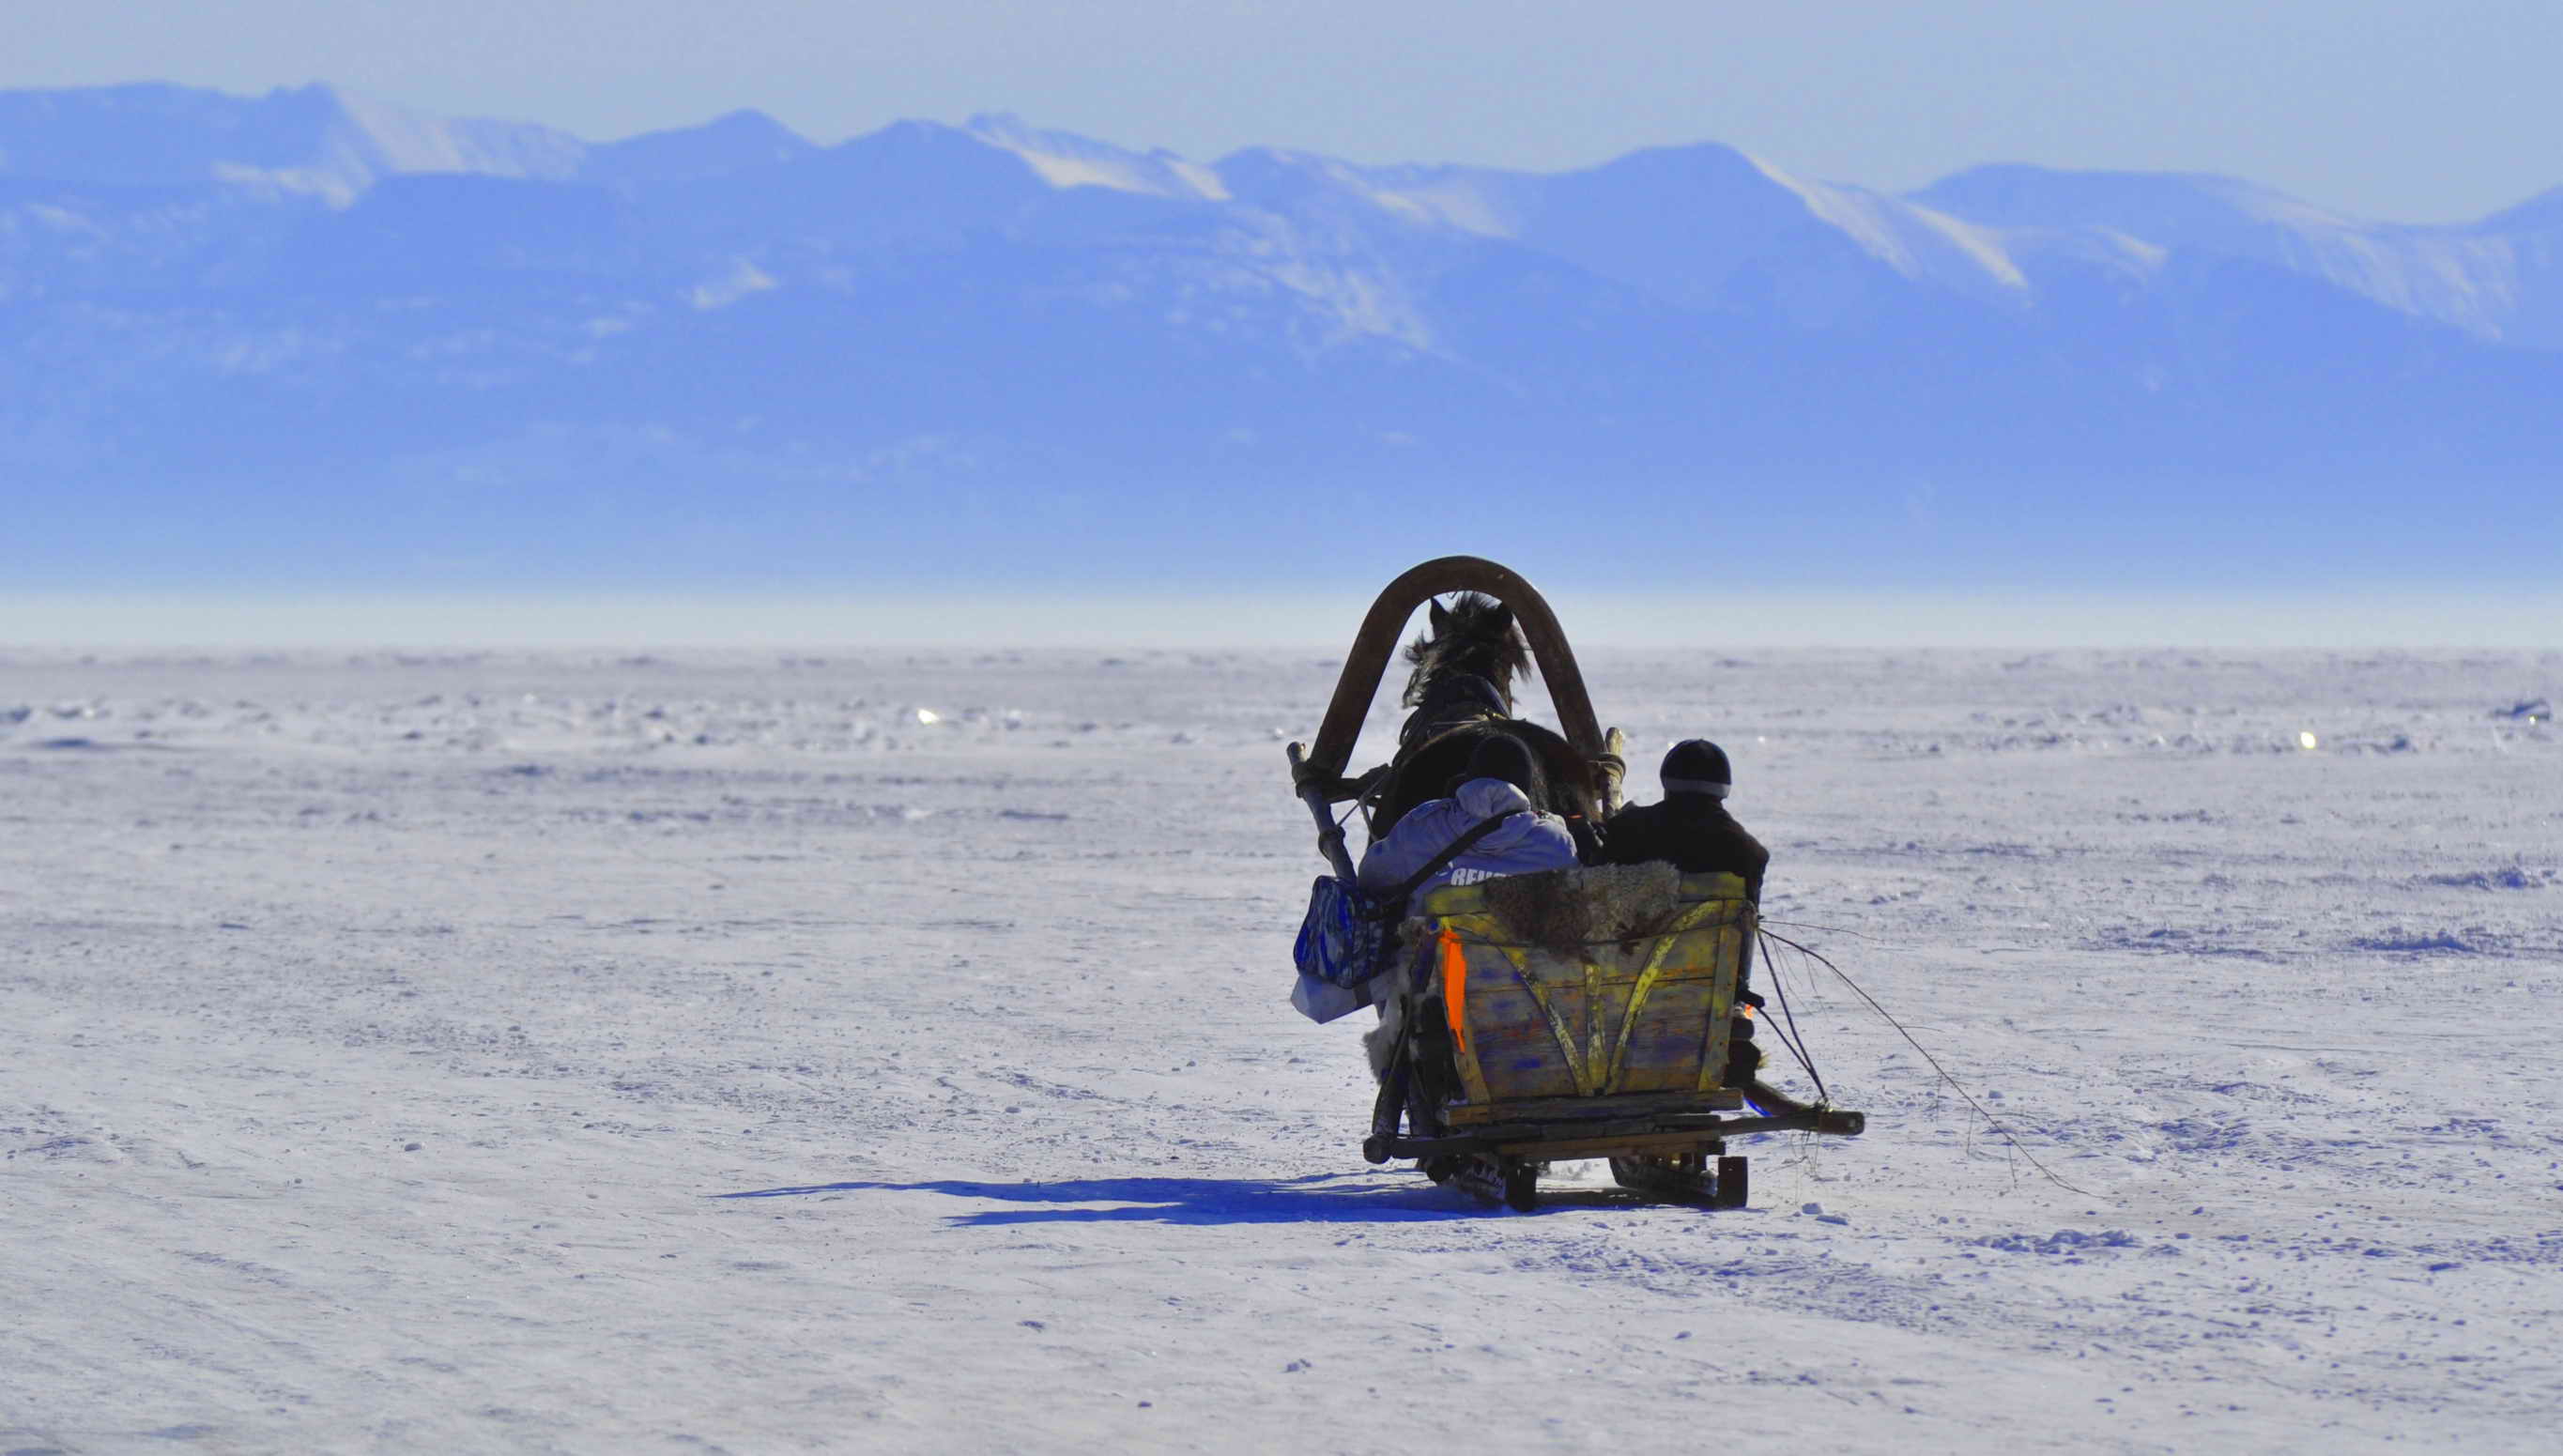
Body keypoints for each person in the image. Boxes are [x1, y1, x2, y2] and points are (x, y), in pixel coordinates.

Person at [1357, 734, 1579, 918]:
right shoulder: (1555, 842)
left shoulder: (1423, 825)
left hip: (1425, 966)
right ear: (1526, 785)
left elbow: (1370, 878)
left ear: (1470, 776)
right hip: (1525, 968)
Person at [1601, 740, 1768, 899]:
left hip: (1646, 929)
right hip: (1718, 929)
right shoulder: (1750, 853)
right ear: (1723, 788)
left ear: (1667, 781)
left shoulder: (1627, 829)